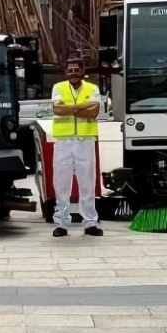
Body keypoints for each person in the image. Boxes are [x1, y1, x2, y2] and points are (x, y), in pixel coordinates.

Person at [49, 57, 102, 237]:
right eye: (70, 70)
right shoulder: (58, 87)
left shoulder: (92, 88)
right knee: (61, 183)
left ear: (82, 71)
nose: (73, 73)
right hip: (63, 141)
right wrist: (82, 107)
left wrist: (69, 108)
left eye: (76, 70)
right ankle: (62, 223)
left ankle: (90, 223)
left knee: (87, 182)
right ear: (66, 72)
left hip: (85, 140)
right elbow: (57, 109)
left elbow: (94, 112)